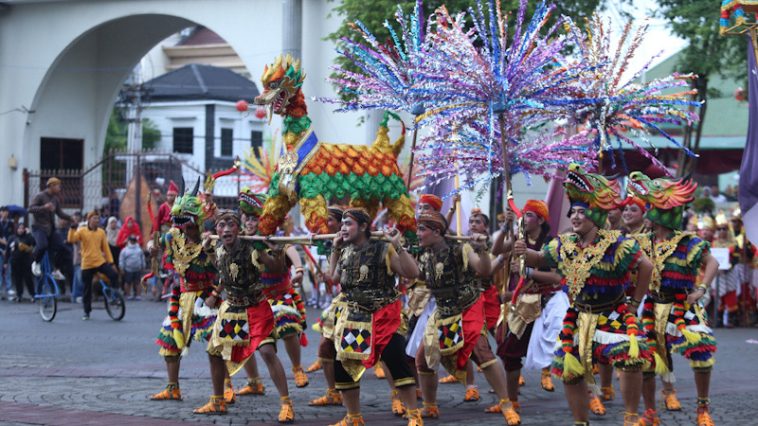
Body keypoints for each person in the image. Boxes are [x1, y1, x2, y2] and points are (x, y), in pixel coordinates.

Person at [514, 165, 654, 426]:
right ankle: (581, 421)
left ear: (596, 214)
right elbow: (541, 258)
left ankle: (631, 417)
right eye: (574, 212)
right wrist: (522, 250)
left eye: (582, 211)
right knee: (571, 372)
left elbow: (645, 266)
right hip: (578, 316)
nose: (576, 217)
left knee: (631, 360)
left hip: (613, 313)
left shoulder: (616, 243)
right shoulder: (565, 244)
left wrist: (634, 303)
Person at [626, 172, 720, 426]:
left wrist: (701, 289)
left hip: (683, 304)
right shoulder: (640, 242)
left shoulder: (688, 242)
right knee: (646, 360)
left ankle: (703, 409)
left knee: (701, 351)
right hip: (651, 306)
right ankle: (650, 413)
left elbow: (712, 262)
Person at [414, 210, 519, 425]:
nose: (417, 233)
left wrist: (481, 250)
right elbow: (413, 274)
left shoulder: (462, 248)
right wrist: (396, 247)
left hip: (467, 309)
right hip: (442, 313)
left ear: (436, 232)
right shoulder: (425, 255)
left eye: (421, 229)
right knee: (423, 360)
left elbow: (484, 270)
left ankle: (506, 404)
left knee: (482, 353)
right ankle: (430, 406)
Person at [194, 210, 295, 422]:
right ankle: (218, 400)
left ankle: (286, 403)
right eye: (221, 225)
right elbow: (221, 269)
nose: (226, 229)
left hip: (256, 307)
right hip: (232, 309)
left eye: (230, 224)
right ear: (217, 230)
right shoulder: (219, 248)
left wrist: (275, 253)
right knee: (214, 352)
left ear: (238, 228)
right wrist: (208, 250)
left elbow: (276, 270)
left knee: (267, 352)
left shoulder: (252, 248)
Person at [328, 208, 422, 426]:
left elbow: (412, 273)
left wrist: (398, 246)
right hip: (355, 319)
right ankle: (354, 417)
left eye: (349, 224)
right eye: (342, 224)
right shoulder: (346, 250)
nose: (343, 228)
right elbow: (334, 278)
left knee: (396, 362)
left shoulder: (383, 249)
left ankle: (414, 415)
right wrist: (335, 248)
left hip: (383, 317)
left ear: (363, 227)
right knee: (344, 366)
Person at [149, 180, 224, 402]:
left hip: (205, 298)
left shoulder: (210, 241)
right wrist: (151, 248)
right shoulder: (173, 236)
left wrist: (214, 295)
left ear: (197, 221)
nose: (184, 228)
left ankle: (225, 390)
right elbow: (155, 245)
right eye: (180, 222)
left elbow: (226, 272)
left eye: (188, 224)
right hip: (181, 298)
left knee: (217, 345)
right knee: (170, 341)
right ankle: (173, 388)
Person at [493, 200, 562, 418]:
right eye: (523, 214)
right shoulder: (517, 239)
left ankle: (592, 393)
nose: (524, 218)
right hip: (521, 304)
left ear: (541, 220)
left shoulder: (551, 244)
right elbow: (496, 250)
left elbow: (556, 278)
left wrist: (528, 272)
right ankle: (511, 401)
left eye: (529, 215)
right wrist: (506, 227)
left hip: (544, 305)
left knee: (567, 354)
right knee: (509, 352)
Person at [308, 205, 346, 407]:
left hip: (364, 304)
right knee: (325, 346)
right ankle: (333, 393)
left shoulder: (357, 242)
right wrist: (327, 278)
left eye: (330, 220)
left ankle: (398, 396)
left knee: (383, 351)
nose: (326, 223)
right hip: (342, 302)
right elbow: (334, 277)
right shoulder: (332, 244)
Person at [67, 211, 120, 320]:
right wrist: (72, 228)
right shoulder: (82, 231)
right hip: (87, 264)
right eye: (94, 218)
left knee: (114, 275)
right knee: (87, 289)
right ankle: (87, 311)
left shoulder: (101, 232)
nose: (97, 220)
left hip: (99, 261)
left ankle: (112, 296)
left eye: (98, 218)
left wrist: (111, 262)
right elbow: (71, 239)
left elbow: (106, 248)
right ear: (89, 220)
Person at [28, 177, 74, 290]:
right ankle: (36, 262)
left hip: (50, 229)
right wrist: (44, 207)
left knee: (62, 247)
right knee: (42, 245)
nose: (59, 188)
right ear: (52, 186)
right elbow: (30, 209)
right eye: (58, 186)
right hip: (39, 228)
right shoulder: (40, 196)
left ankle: (55, 269)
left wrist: (70, 218)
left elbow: (60, 213)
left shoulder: (55, 199)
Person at [8, 222, 35, 302]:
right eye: (19, 228)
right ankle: (19, 295)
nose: (20, 230)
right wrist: (6, 261)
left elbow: (34, 243)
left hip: (26, 261)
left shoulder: (27, 237)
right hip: (15, 262)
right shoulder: (12, 237)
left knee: (28, 278)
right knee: (17, 279)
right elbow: (8, 250)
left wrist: (29, 234)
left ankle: (32, 294)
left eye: (22, 228)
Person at [120, 235, 146, 300]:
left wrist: (143, 266)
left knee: (138, 282)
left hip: (137, 269)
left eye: (134, 240)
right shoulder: (124, 250)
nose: (133, 242)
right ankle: (128, 295)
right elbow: (121, 260)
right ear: (129, 241)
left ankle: (138, 295)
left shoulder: (139, 249)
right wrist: (121, 268)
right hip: (128, 269)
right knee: (128, 282)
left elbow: (142, 258)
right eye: (131, 240)